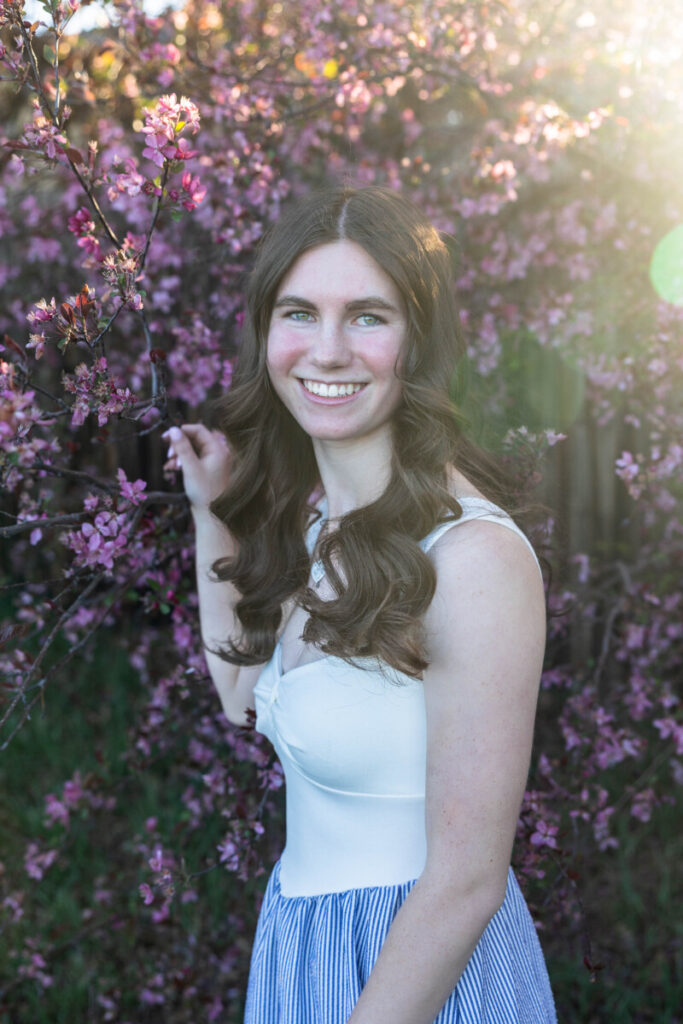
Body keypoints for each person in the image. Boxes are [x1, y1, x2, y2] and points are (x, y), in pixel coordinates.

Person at [161, 185, 557, 1024]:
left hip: (419, 980)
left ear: (416, 342)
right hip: (304, 954)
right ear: (266, 333)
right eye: (300, 312)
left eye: (368, 317)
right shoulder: (316, 524)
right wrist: (210, 514)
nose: (328, 350)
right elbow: (244, 699)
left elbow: (466, 880)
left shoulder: (471, 559)